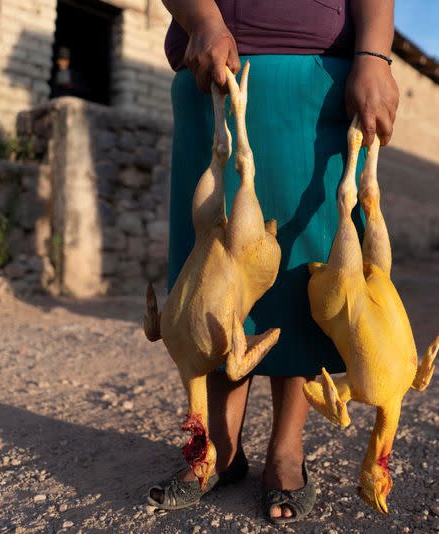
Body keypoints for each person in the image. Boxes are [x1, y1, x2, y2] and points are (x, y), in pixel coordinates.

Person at [152, 0, 398, 523]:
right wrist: (204, 21)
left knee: (303, 267)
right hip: (211, 69)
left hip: (314, 85)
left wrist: (374, 55)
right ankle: (218, 443)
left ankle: (287, 451)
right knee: (211, 270)